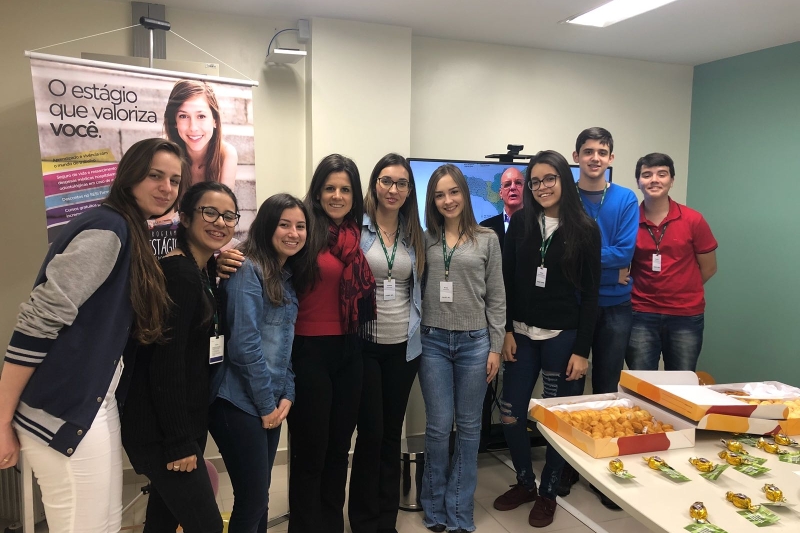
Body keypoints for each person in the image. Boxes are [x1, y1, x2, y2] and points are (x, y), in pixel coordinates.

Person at [0, 138, 184, 532]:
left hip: (94, 400)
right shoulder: (108, 227)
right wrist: (1, 419)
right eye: (155, 175)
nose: (166, 188)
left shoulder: (130, 229)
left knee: (105, 524)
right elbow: (38, 319)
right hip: (62, 405)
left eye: (174, 180)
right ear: (130, 175)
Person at [121, 181, 239, 533]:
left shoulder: (199, 270)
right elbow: (165, 365)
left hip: (180, 424)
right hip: (163, 434)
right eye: (210, 213)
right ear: (185, 218)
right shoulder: (180, 276)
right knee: (207, 525)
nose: (220, 222)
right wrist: (178, 443)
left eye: (229, 215)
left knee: (162, 521)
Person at [492, 151, 601, 527]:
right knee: (510, 414)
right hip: (521, 336)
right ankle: (525, 483)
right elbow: (505, 282)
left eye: (549, 179)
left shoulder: (585, 229)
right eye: (535, 181)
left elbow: (591, 295)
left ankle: (549, 492)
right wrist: (506, 330)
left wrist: (582, 350)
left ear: (563, 180)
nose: (541, 187)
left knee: (557, 422)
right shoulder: (521, 223)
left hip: (563, 340)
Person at [209, 194, 310, 533]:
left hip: (268, 401)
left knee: (259, 497)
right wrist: (268, 405)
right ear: (267, 226)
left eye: (300, 226)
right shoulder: (247, 269)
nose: (293, 233)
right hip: (237, 401)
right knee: (252, 499)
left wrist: (288, 393)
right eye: (284, 224)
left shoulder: (285, 276)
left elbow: (283, 345)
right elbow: (244, 345)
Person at [287, 154, 376, 533]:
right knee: (311, 452)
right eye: (329, 188)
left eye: (345, 189)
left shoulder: (356, 237)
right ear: (318, 191)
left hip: (350, 350)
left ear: (355, 195)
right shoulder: (301, 229)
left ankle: (330, 525)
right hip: (308, 351)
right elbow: (260, 254)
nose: (337, 196)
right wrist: (227, 260)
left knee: (340, 449)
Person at [419, 164, 504, 533]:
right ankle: (434, 509)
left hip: (474, 343)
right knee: (438, 428)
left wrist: (496, 347)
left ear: (465, 195)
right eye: (440, 194)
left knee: (469, 429)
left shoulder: (487, 239)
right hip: (432, 342)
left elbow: (497, 296)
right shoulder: (424, 239)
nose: (448, 200)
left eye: (454, 192)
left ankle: (459, 510)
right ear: (432, 200)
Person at [348, 154, 426, 533]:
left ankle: (386, 521)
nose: (393, 189)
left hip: (404, 348)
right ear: (374, 184)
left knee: (392, 433)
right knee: (371, 433)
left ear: (409, 190)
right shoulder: (357, 229)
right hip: (365, 345)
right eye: (386, 181)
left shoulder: (415, 235)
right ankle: (364, 521)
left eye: (401, 183)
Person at [564, 127, 637, 508]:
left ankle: (606, 472)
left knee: (609, 389)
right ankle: (567, 467)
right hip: (574, 306)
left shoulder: (625, 199)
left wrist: (585, 258)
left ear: (611, 158)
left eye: (602, 151)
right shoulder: (566, 197)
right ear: (576, 156)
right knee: (570, 390)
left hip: (615, 306)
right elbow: (561, 252)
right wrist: (606, 265)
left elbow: (625, 253)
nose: (595, 157)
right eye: (588, 151)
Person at [625, 153, 718, 371]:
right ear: (638, 182)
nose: (654, 180)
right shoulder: (629, 220)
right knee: (642, 383)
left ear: (672, 180)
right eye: (646, 175)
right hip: (641, 314)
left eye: (662, 174)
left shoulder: (693, 219)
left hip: (685, 315)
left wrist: (682, 289)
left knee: (680, 384)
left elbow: (709, 267)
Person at [165, 79, 238, 188]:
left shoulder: (226, 153)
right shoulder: (165, 151)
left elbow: (223, 199)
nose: (193, 128)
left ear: (215, 120)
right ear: (174, 121)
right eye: (183, 116)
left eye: (201, 116)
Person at [480, 166, 525, 252]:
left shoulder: (537, 225)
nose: (513, 187)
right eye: (507, 184)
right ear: (500, 193)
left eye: (518, 183)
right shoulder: (485, 228)